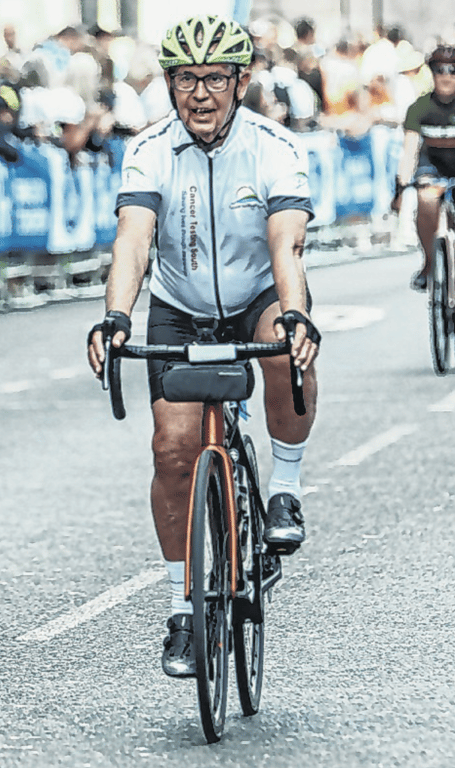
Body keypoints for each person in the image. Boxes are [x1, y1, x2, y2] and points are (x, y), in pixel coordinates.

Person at [87, 15, 320, 678]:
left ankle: (285, 488)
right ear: (169, 83)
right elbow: (133, 239)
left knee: (284, 339)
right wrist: (115, 315)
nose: (199, 92)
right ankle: (183, 610)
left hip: (255, 298)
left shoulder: (273, 147)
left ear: (239, 81)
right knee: (172, 450)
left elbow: (287, 245)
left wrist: (297, 313)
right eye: (186, 78)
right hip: (180, 308)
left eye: (214, 78)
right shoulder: (150, 148)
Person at [392, 46, 455, 290]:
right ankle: (430, 263)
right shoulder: (419, 108)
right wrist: (400, 186)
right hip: (433, 166)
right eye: (439, 70)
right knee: (426, 199)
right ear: (432, 73)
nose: (446, 75)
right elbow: (409, 152)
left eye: (453, 70)